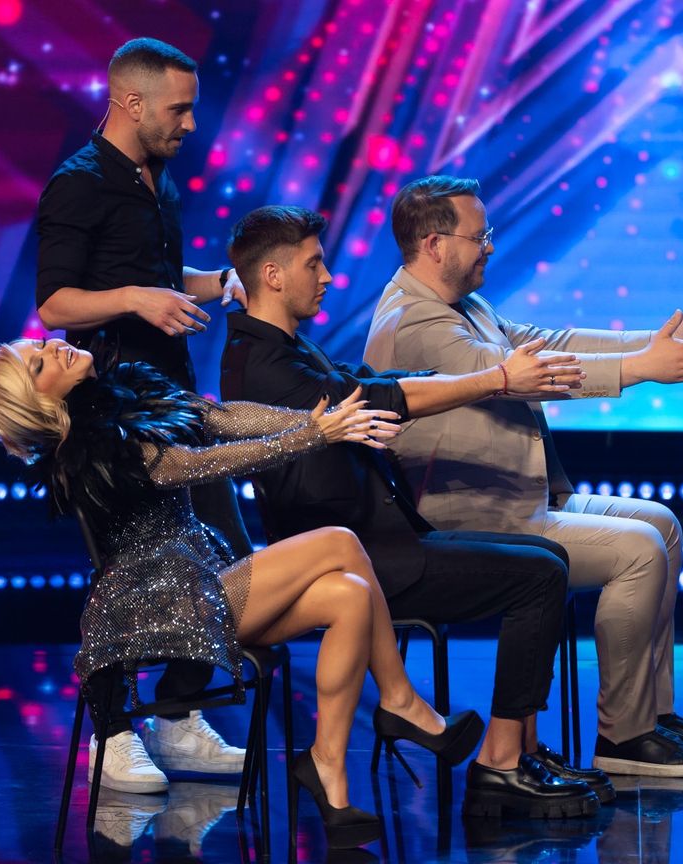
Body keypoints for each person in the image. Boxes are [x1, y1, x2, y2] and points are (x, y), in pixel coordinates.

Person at [0, 336, 456, 848]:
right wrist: (311, 436)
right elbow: (188, 465)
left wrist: (316, 418)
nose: (54, 347)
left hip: (200, 580)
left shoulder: (132, 393)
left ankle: (328, 767)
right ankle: (400, 701)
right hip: (159, 605)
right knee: (339, 542)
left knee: (349, 594)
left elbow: (220, 418)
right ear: (41, 404)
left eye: (42, 344)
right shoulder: (89, 450)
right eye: (40, 363)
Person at [363, 175, 683, 778]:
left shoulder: (459, 304)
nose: (490, 247)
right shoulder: (415, 322)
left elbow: (549, 342)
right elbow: (518, 375)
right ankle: (623, 737)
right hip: (465, 519)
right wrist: (642, 368)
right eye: (479, 237)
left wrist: (657, 343)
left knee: (663, 524)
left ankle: (651, 714)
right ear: (435, 245)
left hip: (516, 499)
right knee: (639, 550)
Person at [219, 206, 610, 819]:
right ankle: (500, 764)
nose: (327, 277)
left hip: (384, 541)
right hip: (360, 561)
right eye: (314, 264)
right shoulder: (262, 364)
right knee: (540, 575)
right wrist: (496, 379)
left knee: (546, 557)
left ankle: (521, 750)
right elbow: (376, 394)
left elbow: (372, 380)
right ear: (272, 275)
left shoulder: (284, 348)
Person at [33, 36, 249, 780]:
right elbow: (56, 301)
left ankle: (181, 715)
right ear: (131, 101)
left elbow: (153, 274)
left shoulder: (153, 178)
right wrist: (133, 299)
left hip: (171, 400)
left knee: (221, 552)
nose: (190, 124)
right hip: (109, 416)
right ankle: (112, 732)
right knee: (122, 569)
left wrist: (215, 282)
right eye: (179, 109)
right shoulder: (78, 183)